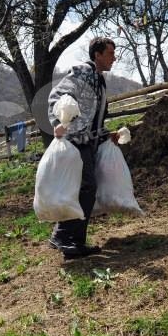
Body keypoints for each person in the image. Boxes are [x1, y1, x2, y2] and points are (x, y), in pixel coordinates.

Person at [47, 37, 121, 259]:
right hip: (75, 140)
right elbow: (58, 96)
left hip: (87, 141)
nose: (114, 58)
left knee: (85, 189)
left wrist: (106, 134)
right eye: (110, 53)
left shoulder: (99, 80)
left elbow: (93, 117)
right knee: (87, 187)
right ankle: (63, 236)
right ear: (97, 54)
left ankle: (74, 242)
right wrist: (59, 121)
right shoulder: (83, 72)